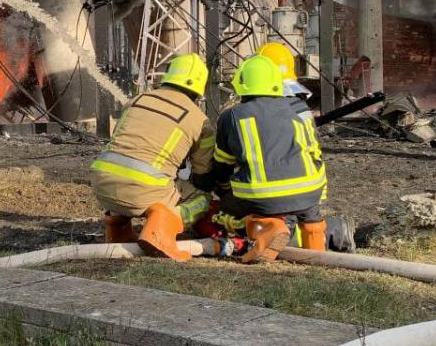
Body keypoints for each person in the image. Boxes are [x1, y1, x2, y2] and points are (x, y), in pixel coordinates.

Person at [90, 54, 216, 261]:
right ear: (199, 87)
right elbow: (203, 173)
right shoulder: (199, 120)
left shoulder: (137, 100)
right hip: (143, 188)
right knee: (202, 199)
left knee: (128, 175)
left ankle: (117, 231)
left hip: (101, 182)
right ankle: (161, 229)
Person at [208, 55, 331, 263]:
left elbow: (223, 164)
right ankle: (318, 260)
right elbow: (313, 152)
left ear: (241, 83)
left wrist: (219, 187)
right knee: (310, 215)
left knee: (223, 212)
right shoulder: (297, 109)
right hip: (310, 190)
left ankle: (267, 228)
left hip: (263, 195)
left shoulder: (232, 116)